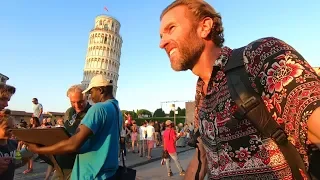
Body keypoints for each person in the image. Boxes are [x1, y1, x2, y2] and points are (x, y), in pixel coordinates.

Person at [159, 0, 320, 179]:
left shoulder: (258, 57)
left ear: (204, 27)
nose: (162, 43)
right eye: (160, 36)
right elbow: (202, 157)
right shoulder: (201, 95)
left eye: (171, 28)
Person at [25, 75, 123, 180]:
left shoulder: (98, 108)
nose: (91, 96)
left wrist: (40, 150)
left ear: (100, 90)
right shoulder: (116, 110)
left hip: (92, 173)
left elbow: (73, 144)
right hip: (107, 172)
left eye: (91, 92)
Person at [51, 84, 91, 180]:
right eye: (73, 102)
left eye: (80, 102)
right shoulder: (69, 111)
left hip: (79, 163)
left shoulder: (92, 113)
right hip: (63, 162)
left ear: (87, 97)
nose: (76, 105)